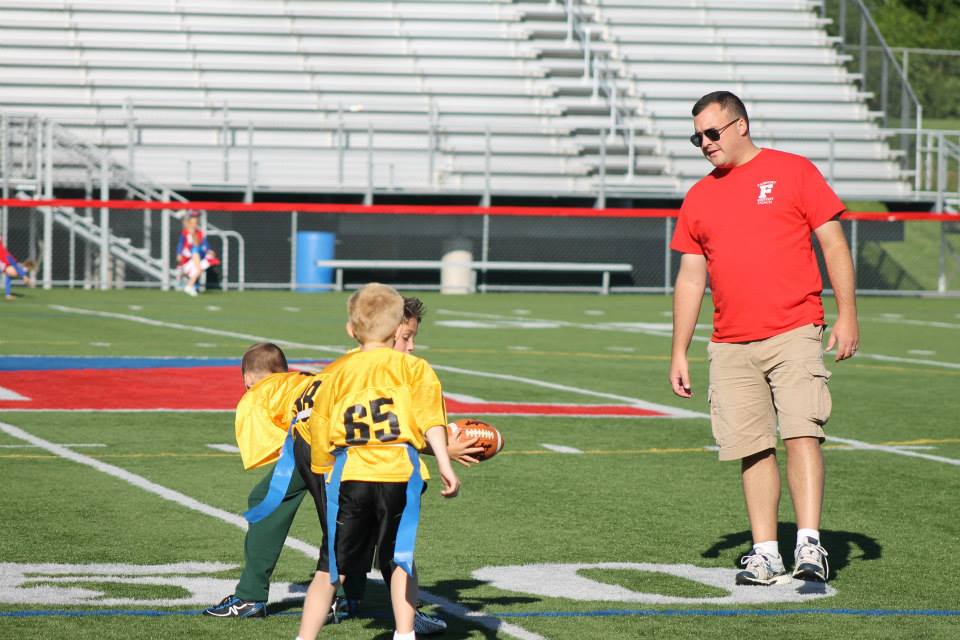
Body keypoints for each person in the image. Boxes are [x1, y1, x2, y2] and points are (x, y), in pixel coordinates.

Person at [668, 91, 859, 586]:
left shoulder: (794, 171)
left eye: (712, 133)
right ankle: (765, 552)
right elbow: (691, 277)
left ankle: (810, 546)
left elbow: (833, 242)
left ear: (741, 125)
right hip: (730, 342)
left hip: (795, 329)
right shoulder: (699, 195)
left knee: (802, 433)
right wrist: (679, 351)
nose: (705, 143)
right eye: (697, 137)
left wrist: (848, 315)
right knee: (750, 447)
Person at [205, 298, 478, 635]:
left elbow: (385, 425)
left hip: (327, 443)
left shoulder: (368, 367)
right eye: (405, 337)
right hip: (324, 445)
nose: (410, 346)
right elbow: (378, 427)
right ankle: (368, 607)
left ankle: (350, 604)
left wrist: (435, 448)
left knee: (353, 534)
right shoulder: (377, 370)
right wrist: (438, 450)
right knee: (354, 535)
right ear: (387, 332)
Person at [297, 283, 460, 640]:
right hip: (402, 474)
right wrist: (446, 464)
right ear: (394, 329)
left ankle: (305, 637)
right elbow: (432, 419)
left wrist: (325, 471)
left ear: (351, 330)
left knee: (331, 568)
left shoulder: (337, 371)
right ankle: (405, 633)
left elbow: (321, 427)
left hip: (353, 474)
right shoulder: (415, 369)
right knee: (400, 556)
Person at [176, 211, 220, 297]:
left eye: (196, 221)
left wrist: (209, 251)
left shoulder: (199, 233)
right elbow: (183, 245)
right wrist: (179, 253)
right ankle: (189, 286)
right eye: (192, 221)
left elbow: (204, 246)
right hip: (188, 261)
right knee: (197, 268)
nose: (195, 223)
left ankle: (191, 286)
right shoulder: (186, 233)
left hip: (196, 259)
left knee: (202, 266)